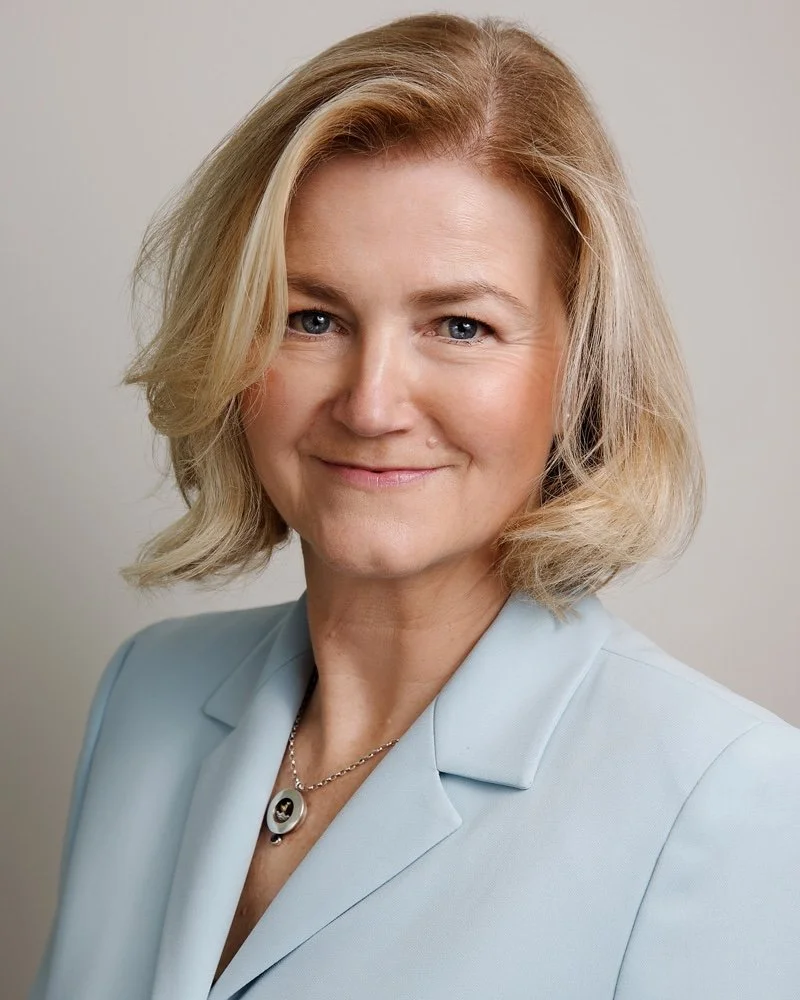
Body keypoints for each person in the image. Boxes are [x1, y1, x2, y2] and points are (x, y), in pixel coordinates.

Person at [30, 12, 800, 1000]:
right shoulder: (146, 698)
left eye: (460, 325)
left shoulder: (724, 796)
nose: (371, 402)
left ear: (580, 371)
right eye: (310, 317)